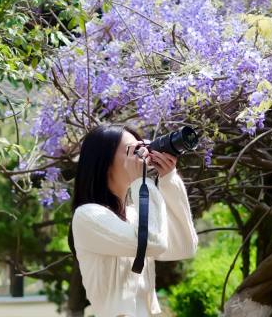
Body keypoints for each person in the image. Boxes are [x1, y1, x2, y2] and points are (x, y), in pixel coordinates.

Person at [68, 124, 198, 316]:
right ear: (105, 161)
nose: (142, 155)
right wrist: (141, 182)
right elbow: (153, 243)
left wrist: (169, 179)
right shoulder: (87, 216)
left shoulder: (134, 214)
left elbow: (184, 247)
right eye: (134, 150)